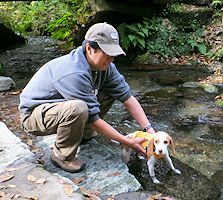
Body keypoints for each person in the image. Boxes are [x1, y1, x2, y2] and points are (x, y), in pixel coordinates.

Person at [19, 22, 156, 173]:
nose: (112, 58)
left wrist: (150, 130)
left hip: (60, 108)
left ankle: (84, 133)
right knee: (79, 108)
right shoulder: (74, 72)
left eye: (114, 53)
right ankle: (62, 155)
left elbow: (127, 97)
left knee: (110, 93)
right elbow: (93, 118)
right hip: (34, 116)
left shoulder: (106, 66)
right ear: (89, 48)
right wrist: (127, 141)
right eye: (108, 53)